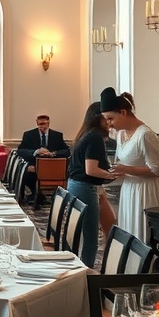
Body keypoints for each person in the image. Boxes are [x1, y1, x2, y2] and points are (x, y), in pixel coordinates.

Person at [100, 87, 159, 241]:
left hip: (145, 191)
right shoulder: (121, 134)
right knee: (128, 230)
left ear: (123, 112)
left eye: (110, 118)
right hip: (129, 189)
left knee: (142, 235)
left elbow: (157, 169)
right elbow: (120, 164)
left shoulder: (145, 134)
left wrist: (126, 169)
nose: (108, 124)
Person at [67, 102, 115, 268]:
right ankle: (86, 272)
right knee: (91, 237)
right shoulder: (95, 137)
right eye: (107, 118)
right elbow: (91, 170)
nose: (109, 122)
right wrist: (112, 175)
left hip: (77, 185)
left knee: (109, 224)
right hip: (85, 187)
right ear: (98, 118)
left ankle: (86, 268)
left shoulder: (85, 133)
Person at [17, 113, 70, 201]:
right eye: (40, 124)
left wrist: (52, 153)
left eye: (44, 124)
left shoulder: (57, 135)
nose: (42, 126)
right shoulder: (29, 134)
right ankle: (35, 194)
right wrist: (36, 152)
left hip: (52, 165)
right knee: (27, 171)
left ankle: (43, 196)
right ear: (36, 123)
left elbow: (66, 151)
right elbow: (21, 150)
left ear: (48, 123)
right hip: (34, 164)